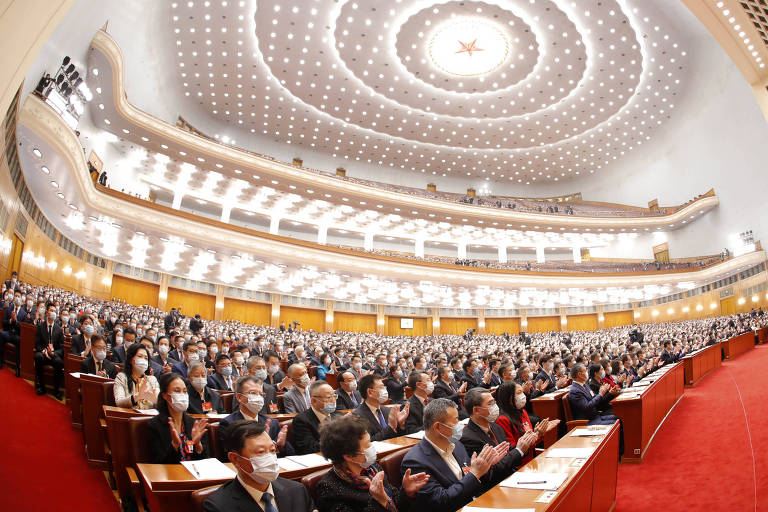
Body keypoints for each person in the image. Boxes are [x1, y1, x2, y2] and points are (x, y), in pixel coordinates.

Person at [400, 398, 509, 512]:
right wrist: (475, 473)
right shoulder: (415, 462)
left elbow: (471, 480)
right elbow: (441, 501)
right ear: (438, 427)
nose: (460, 426)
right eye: (456, 421)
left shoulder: (457, 445)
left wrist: (486, 466)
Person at [316, 414, 430, 512]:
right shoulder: (329, 488)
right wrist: (379, 501)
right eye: (367, 444)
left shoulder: (372, 469)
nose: (372, 447)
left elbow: (397, 504)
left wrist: (406, 492)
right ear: (349, 456)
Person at [204, 420, 313, 512]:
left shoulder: (297, 490)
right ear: (235, 459)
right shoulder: (218, 506)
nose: (270, 458)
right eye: (261, 452)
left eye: (272, 450)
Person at [460, 387, 537, 486]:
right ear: (476, 410)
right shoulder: (469, 438)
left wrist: (525, 444)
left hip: (513, 477)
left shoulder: (495, 427)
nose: (495, 406)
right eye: (490, 404)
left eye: (494, 402)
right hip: (496, 486)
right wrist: (519, 450)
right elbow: (491, 472)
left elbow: (508, 452)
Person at [217, 376, 292, 458]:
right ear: (239, 397)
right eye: (253, 393)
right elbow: (229, 457)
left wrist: (281, 446)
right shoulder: (229, 424)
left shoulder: (272, 423)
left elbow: (290, 454)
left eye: (261, 394)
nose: (259, 398)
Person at [148, 373, 209, 463]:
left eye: (184, 391)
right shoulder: (155, 425)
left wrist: (198, 446)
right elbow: (158, 463)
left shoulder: (194, 424)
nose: (182, 395)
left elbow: (206, 460)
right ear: (165, 395)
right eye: (177, 391)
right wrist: (174, 446)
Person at [494, 381, 551, 465]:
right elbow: (513, 451)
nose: (523, 396)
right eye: (519, 393)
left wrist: (538, 434)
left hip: (531, 460)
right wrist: (534, 437)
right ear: (509, 398)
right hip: (519, 465)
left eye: (522, 392)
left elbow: (532, 443)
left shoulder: (522, 412)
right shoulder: (502, 420)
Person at [353, 374, 409, 441]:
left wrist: (400, 425)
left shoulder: (387, 410)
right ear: (370, 392)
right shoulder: (358, 416)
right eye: (381, 387)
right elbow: (368, 442)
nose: (385, 390)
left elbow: (397, 436)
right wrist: (390, 427)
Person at [292, 381, 343, 455]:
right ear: (314, 400)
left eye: (334, 396)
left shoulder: (339, 415)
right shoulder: (301, 420)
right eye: (328, 397)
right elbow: (309, 448)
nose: (333, 400)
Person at [113, 343, 159, 409]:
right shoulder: (121, 377)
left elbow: (159, 405)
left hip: (148, 417)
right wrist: (137, 397)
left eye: (146, 358)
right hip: (129, 417)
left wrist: (156, 401)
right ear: (131, 360)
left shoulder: (152, 380)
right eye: (140, 356)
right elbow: (119, 403)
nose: (143, 360)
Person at [33, 304, 65, 397]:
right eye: (51, 310)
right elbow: (37, 343)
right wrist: (44, 351)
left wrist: (54, 353)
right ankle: (42, 387)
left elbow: (62, 347)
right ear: (47, 312)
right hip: (43, 353)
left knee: (59, 362)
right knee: (37, 357)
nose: (53, 313)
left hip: (54, 354)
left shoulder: (59, 329)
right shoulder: (40, 326)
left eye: (55, 311)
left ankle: (56, 390)